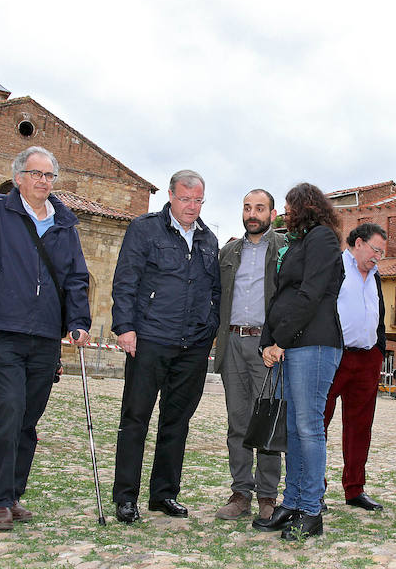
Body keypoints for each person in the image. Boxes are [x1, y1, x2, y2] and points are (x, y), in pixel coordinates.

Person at [0, 146, 91, 531]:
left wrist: (77, 321)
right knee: (9, 407)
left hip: (46, 335)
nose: (43, 182)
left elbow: (75, 277)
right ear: (18, 178)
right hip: (4, 329)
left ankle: (14, 494)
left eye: (49, 176)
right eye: (36, 174)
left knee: (29, 418)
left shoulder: (64, 222)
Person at [110, 170, 220, 524]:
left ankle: (164, 494)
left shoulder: (209, 239)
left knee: (177, 422)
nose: (192, 206)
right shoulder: (144, 229)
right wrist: (125, 327)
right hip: (150, 339)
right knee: (135, 419)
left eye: (198, 200)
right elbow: (126, 279)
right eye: (186, 199)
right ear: (171, 196)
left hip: (193, 345)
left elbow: (214, 291)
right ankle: (126, 497)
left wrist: (209, 330)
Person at [253, 183, 344, 540]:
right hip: (295, 343)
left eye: (289, 206)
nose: (285, 212)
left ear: (306, 206)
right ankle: (291, 503)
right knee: (294, 428)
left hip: (316, 343)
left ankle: (311, 509)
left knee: (309, 428)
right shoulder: (298, 242)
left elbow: (310, 295)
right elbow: (282, 295)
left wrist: (279, 339)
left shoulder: (321, 238)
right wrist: (268, 340)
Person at [212, 189, 284, 522]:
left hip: (267, 349)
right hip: (232, 345)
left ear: (272, 212)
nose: (252, 214)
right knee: (237, 423)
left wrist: (282, 341)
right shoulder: (227, 252)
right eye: (246, 208)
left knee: (267, 421)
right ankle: (241, 492)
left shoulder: (285, 249)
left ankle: (268, 496)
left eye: (259, 208)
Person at [323, 223, 388, 512]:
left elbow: (380, 314)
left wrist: (379, 350)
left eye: (382, 253)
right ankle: (315, 489)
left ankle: (354, 489)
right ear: (358, 243)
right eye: (376, 250)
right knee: (318, 424)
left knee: (360, 427)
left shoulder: (376, 277)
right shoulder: (334, 267)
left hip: (367, 359)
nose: (378, 257)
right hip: (335, 356)